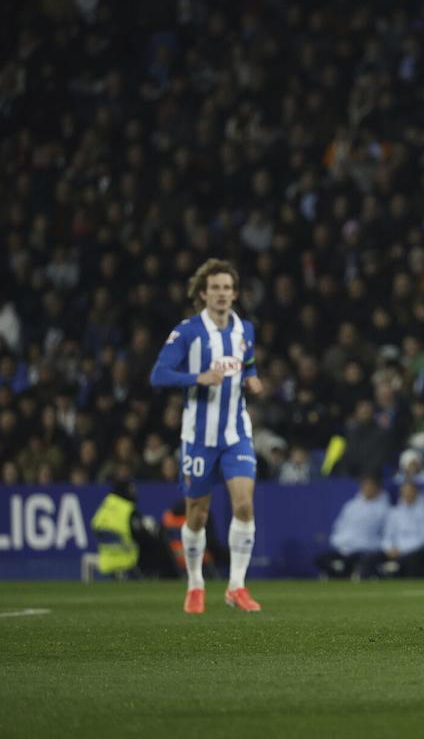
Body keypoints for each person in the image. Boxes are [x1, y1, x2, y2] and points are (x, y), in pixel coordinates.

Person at [150, 258, 264, 614]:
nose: (221, 294)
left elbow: (247, 363)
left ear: (234, 293)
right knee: (197, 513)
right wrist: (195, 378)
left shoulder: (245, 329)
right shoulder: (187, 332)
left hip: (236, 433)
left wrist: (252, 377)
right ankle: (196, 584)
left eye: (227, 288)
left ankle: (236, 587)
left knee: (244, 504)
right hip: (199, 437)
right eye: (215, 287)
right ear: (203, 293)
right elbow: (158, 374)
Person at [314, 476, 390, 579]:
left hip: (365, 550)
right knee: (320, 559)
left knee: (358, 561)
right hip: (343, 549)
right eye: (365, 486)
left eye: (370, 486)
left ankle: (342, 571)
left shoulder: (384, 509)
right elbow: (339, 526)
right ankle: (339, 572)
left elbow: (386, 533)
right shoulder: (350, 506)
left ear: (377, 489)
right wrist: (339, 543)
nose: (367, 489)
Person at [380, 479, 424, 577]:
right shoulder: (395, 512)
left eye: (410, 492)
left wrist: (402, 549)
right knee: (372, 558)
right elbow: (387, 534)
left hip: (417, 550)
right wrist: (389, 548)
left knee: (410, 561)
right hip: (395, 550)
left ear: (416, 492)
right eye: (405, 492)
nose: (407, 495)